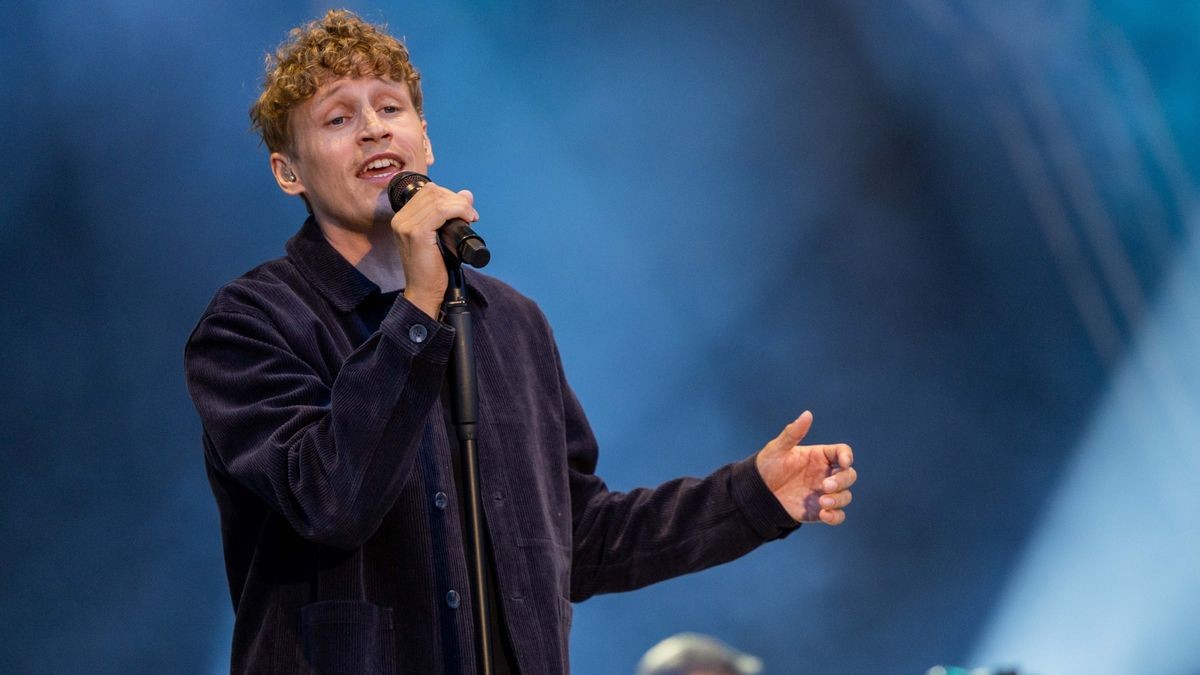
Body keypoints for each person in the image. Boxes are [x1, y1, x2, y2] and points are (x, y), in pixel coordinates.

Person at [184, 9, 856, 674]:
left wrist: (752, 496)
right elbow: (330, 497)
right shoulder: (250, 324)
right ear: (288, 172)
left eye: (390, 107)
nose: (371, 129)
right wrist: (419, 308)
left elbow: (581, 539)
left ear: (425, 139)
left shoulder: (510, 322)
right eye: (337, 117)